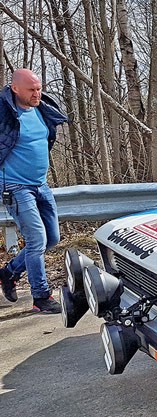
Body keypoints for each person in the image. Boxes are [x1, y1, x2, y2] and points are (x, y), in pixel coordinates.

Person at [0, 69, 68, 313]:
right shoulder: (4, 112)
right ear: (15, 88)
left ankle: (8, 273)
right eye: (31, 89)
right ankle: (41, 296)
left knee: (52, 238)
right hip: (16, 187)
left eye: (39, 88)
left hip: (41, 184)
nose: (37, 93)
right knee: (36, 239)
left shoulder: (42, 108)